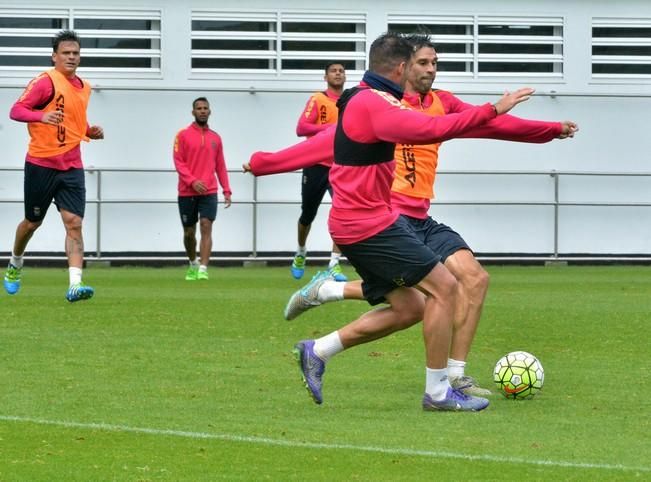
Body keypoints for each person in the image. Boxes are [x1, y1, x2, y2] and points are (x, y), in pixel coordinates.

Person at [245, 32, 534, 412]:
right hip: (367, 226)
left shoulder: (364, 100)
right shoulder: (374, 104)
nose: (424, 72)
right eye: (417, 65)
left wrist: (263, 162)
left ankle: (317, 350)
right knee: (445, 288)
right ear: (400, 68)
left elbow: (318, 146)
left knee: (411, 308)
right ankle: (438, 393)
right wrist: (492, 109)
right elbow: (432, 130)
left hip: (367, 222)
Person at [3, 30, 104, 302]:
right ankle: (15, 263)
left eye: (75, 53)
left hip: (71, 165)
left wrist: (88, 131)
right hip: (41, 163)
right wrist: (41, 115)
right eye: (66, 53)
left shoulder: (85, 87)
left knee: (74, 223)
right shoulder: (45, 82)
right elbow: (16, 110)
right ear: (54, 56)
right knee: (32, 223)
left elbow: (73, 120)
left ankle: (74, 284)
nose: (71, 57)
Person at [292, 62, 347, 282]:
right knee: (307, 215)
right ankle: (300, 252)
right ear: (325, 77)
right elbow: (301, 128)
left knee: (344, 213)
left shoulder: (350, 101)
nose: (338, 74)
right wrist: (329, 129)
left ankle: (334, 262)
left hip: (341, 166)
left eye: (341, 71)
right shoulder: (318, 99)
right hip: (315, 165)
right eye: (333, 71)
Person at [173, 97, 232, 281]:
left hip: (209, 191)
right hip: (187, 191)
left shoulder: (216, 138)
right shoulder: (182, 135)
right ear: (193, 112)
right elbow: (178, 161)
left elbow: (220, 165)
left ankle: (204, 268)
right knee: (189, 232)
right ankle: (193, 263)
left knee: (206, 226)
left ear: (210, 111)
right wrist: (192, 181)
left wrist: (226, 189)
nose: (202, 111)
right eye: (199, 108)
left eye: (205, 108)